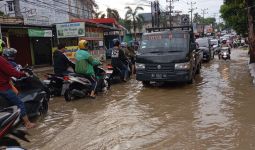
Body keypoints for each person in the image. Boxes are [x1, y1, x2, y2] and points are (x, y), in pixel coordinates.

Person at [0, 56, 36, 129]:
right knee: (20, 103)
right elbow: (11, 71)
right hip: (3, 87)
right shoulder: (1, 60)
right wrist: (23, 74)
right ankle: (27, 123)